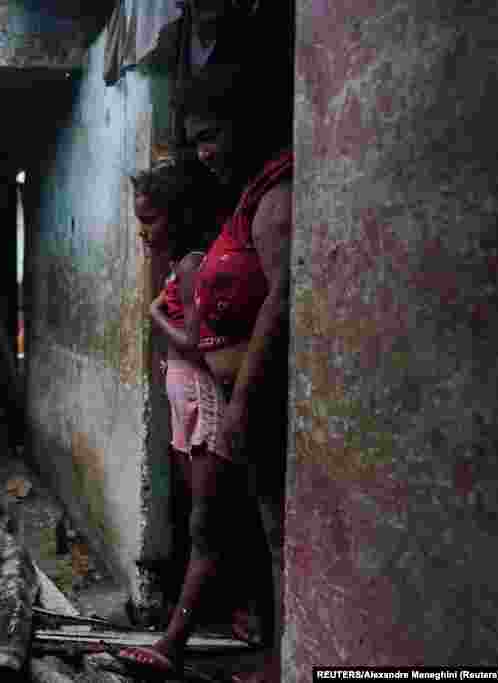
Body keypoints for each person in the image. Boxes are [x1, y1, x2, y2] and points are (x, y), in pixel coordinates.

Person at [119, 62, 294, 682]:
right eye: (197, 139)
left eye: (213, 132)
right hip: (216, 394)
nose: (207, 149)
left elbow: (259, 306)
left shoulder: (269, 200)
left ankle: (198, 643)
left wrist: (241, 400)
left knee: (220, 525)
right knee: (237, 523)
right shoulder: (242, 206)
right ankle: (267, 652)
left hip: (230, 396)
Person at [118, 157, 266, 676]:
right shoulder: (178, 261)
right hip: (186, 398)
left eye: (151, 219)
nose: (144, 231)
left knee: (208, 520)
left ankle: (177, 640)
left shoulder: (191, 264)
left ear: (177, 214)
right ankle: (239, 613)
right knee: (207, 513)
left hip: (201, 397)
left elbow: (199, 346)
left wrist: (156, 316)